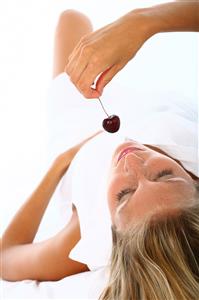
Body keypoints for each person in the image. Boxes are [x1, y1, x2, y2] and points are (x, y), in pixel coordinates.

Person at [1, 2, 199, 300]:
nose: (133, 161)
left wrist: (59, 164)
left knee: (71, 18)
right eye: (163, 174)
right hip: (156, 106)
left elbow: (6, 257)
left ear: (112, 234)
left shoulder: (84, 236)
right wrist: (142, 22)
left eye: (125, 194)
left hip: (83, 125)